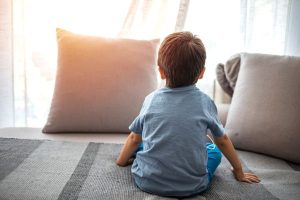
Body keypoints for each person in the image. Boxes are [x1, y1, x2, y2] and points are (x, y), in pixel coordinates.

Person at [116, 32, 260, 198]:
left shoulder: (151, 100)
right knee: (213, 151)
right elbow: (222, 140)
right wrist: (239, 171)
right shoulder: (205, 102)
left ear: (161, 72)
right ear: (202, 73)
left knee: (144, 144)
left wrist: (121, 162)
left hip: (147, 181)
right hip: (193, 186)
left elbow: (134, 138)